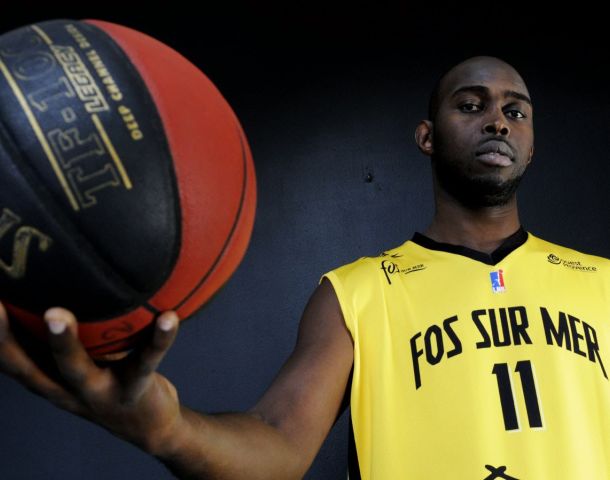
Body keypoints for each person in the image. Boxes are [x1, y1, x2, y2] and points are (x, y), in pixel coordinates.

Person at [1, 55, 609, 479]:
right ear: (427, 137)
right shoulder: (355, 294)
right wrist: (169, 432)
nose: (498, 120)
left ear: (531, 145)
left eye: (516, 112)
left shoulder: (600, 283)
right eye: (471, 105)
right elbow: (278, 444)